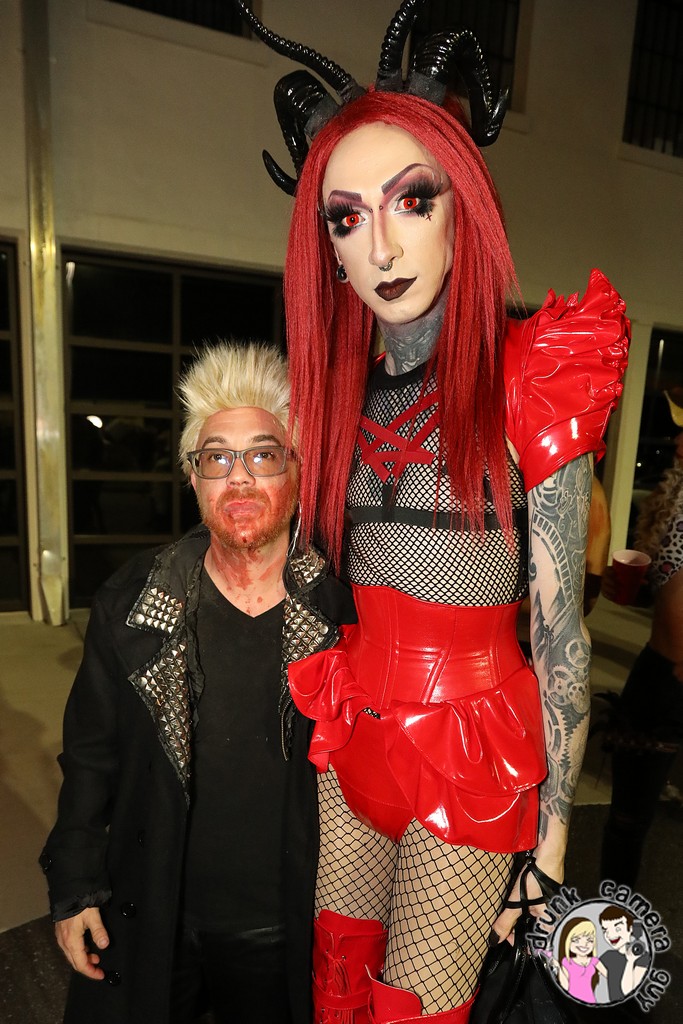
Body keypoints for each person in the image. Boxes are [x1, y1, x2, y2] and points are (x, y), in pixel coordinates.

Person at [233, 2, 630, 1021]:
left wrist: (547, 853)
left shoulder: (532, 376)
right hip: (353, 735)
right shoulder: (335, 398)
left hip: (474, 754)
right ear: (325, 245)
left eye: (411, 200)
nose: (380, 244)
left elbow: (561, 638)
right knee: (334, 985)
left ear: (464, 207)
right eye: (345, 217)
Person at [40, 342, 356, 1024]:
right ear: (192, 477)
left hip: (287, 927)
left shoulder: (345, 613)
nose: (238, 478)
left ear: (298, 471)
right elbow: (90, 757)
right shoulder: (132, 604)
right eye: (217, 458)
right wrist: (75, 883)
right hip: (156, 914)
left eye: (263, 456)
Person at [600, 415, 683, 888]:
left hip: (673, 677)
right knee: (627, 822)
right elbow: (664, 587)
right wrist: (627, 587)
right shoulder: (675, 497)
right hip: (659, 679)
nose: (676, 441)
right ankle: (617, 920)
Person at [598, 906, 650, 1001]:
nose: (610, 935)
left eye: (617, 929)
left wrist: (630, 961)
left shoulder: (642, 957)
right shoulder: (608, 956)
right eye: (605, 930)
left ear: (630, 928)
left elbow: (627, 991)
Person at [554, 917, 607, 1004]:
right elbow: (565, 986)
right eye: (576, 940)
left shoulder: (594, 961)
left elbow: (610, 976)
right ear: (567, 941)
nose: (584, 944)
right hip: (571, 1002)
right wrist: (558, 967)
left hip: (590, 1001)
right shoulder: (567, 962)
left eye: (590, 940)